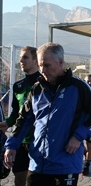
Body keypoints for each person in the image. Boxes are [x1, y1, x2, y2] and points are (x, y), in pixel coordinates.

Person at [4, 42, 91, 186]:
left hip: (65, 165)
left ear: (60, 62)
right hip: (38, 164)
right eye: (40, 65)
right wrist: (12, 145)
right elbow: (24, 119)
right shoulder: (37, 89)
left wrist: (78, 136)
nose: (43, 70)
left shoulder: (78, 87)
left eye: (47, 65)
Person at [0, 46, 40, 186]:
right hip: (20, 141)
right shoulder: (18, 86)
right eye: (20, 58)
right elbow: (16, 113)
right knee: (20, 178)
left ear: (36, 60)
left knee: (36, 180)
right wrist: (7, 123)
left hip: (39, 141)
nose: (21, 61)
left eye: (25, 57)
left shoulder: (46, 83)